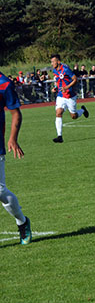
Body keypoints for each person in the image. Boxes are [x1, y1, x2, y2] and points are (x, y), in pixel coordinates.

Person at [0, 71, 31, 245]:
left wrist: (13, 138)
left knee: (0, 191)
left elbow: (16, 114)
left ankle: (22, 221)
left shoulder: (4, 84)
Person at [50, 54, 89, 143]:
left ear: (58, 61)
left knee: (74, 116)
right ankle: (59, 136)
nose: (52, 63)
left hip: (70, 95)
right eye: (51, 62)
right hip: (60, 95)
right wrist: (55, 87)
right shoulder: (54, 71)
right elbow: (58, 81)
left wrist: (66, 87)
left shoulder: (66, 69)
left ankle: (82, 110)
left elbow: (75, 79)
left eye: (53, 61)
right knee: (58, 112)